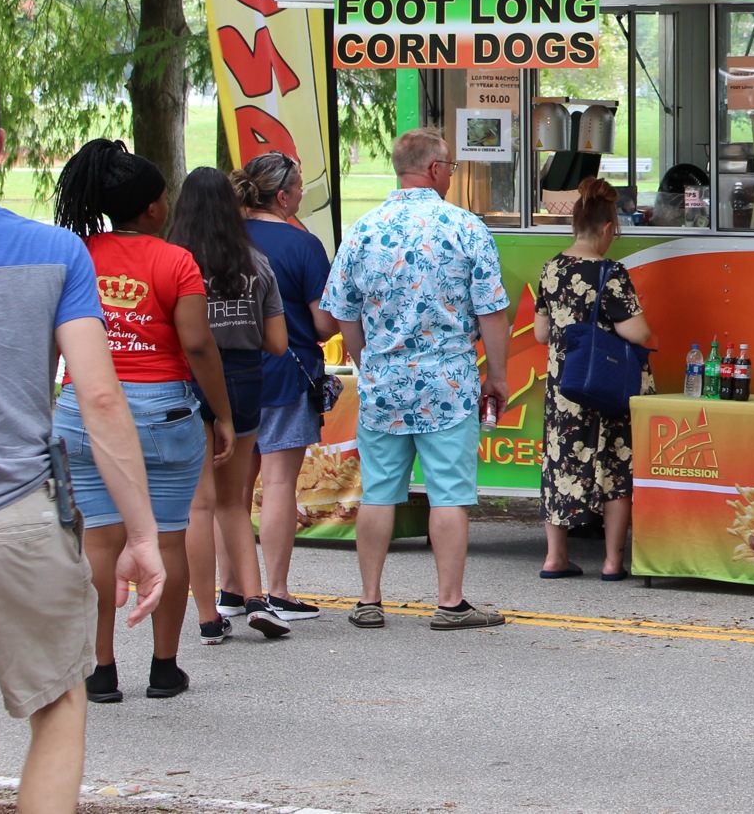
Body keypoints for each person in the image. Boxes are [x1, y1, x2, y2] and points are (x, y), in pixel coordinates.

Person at [0, 90, 164, 810]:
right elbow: (97, 397)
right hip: (17, 513)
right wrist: (144, 534)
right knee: (59, 707)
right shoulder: (54, 252)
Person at [53, 140, 234, 700]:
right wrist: (222, 414)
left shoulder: (76, 252)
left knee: (99, 544)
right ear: (155, 208)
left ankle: (101, 670)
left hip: (83, 409)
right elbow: (199, 346)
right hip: (163, 410)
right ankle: (163, 666)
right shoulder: (175, 261)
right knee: (170, 540)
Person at [323, 129, 511, 630]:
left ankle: (368, 599)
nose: (451, 173)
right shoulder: (466, 228)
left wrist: (367, 363)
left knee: (379, 492)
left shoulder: (363, 230)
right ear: (433, 169)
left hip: (383, 383)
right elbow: (492, 311)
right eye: (449, 165)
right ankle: (449, 603)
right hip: (447, 384)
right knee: (449, 493)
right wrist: (498, 375)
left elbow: (342, 311)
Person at [170, 167, 289, 641]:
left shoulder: (174, 261)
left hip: (187, 380)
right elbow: (278, 343)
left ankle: (208, 617)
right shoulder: (256, 263)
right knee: (233, 503)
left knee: (198, 506)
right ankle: (257, 598)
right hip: (244, 380)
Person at [533, 178, 653, 581]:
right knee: (616, 468)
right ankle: (612, 562)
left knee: (559, 462)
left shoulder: (551, 268)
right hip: (605, 387)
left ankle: (555, 557)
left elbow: (540, 333)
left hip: (564, 386)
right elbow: (636, 333)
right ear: (606, 229)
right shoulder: (611, 273)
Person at [234, 152, 337, 621]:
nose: (301, 197)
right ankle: (276, 590)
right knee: (278, 482)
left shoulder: (224, 238)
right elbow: (322, 322)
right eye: (298, 189)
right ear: (283, 196)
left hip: (228, 375)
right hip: (287, 373)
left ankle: (233, 588)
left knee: (232, 489)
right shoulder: (303, 245)